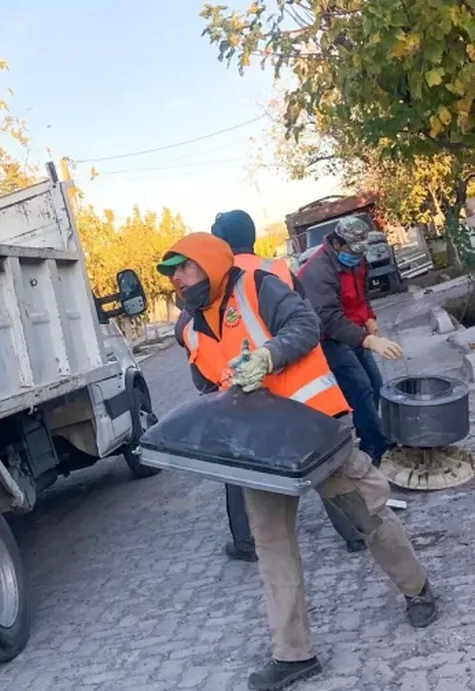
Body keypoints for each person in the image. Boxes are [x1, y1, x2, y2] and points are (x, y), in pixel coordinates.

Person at [158, 233, 436, 691]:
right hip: (260, 448)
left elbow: (306, 326)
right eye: (171, 273)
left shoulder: (257, 286)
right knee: (272, 546)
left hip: (315, 428)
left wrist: (268, 356)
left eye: (183, 268)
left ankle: (418, 588)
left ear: (208, 263)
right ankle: (294, 655)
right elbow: (205, 383)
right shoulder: (186, 327)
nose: (178, 280)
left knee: (368, 515)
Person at [207, 210, 364, 561]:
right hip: (302, 392)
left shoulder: (220, 284)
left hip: (251, 400)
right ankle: (356, 532)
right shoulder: (276, 269)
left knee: (238, 470)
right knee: (327, 468)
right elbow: (308, 324)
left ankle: (248, 543)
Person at [297, 215, 402, 466]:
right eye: (352, 252)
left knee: (375, 383)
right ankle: (375, 448)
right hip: (328, 337)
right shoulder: (316, 272)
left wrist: (369, 319)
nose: (357, 258)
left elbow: (360, 293)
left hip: (354, 330)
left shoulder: (357, 258)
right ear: (337, 242)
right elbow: (330, 320)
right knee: (360, 388)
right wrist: (369, 341)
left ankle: (369, 435)